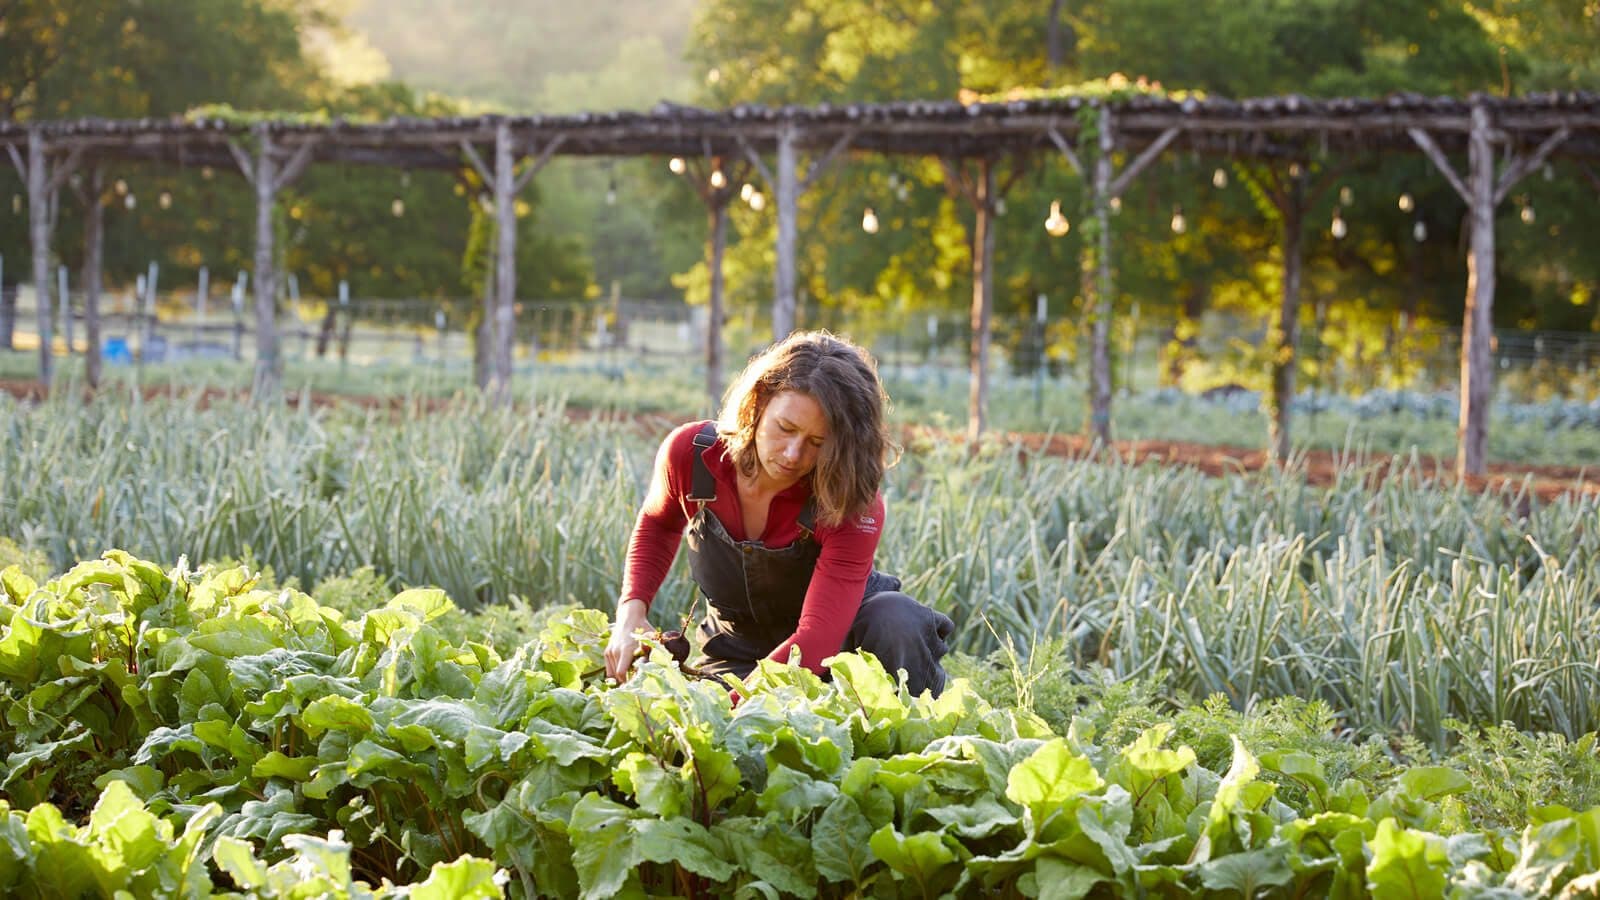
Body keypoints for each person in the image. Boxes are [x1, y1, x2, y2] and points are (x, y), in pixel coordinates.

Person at [604, 330, 954, 696]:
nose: (792, 455)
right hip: (735, 651)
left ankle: (922, 721)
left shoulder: (852, 500)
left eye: (818, 443)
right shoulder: (692, 457)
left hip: (841, 652)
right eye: (785, 428)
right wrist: (630, 613)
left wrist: (736, 711)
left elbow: (817, 638)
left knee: (895, 618)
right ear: (757, 403)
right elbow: (659, 523)